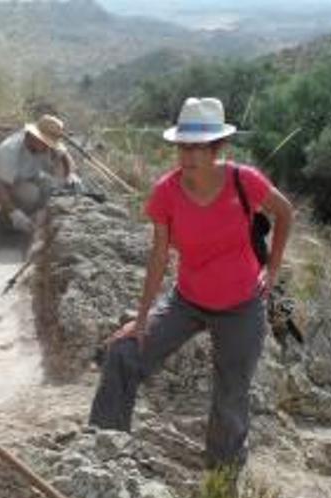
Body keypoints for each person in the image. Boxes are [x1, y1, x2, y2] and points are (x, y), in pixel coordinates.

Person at [88, 97, 294, 468]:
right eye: (184, 146)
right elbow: (158, 256)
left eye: (199, 148)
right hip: (188, 300)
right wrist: (142, 317)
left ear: (218, 148)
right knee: (123, 355)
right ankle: (106, 453)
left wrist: (273, 269)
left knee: (230, 397)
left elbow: (285, 213)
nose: (189, 156)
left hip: (241, 306)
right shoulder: (166, 191)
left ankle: (221, 483)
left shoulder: (243, 180)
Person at [0, 114, 80, 233]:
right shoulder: (9, 151)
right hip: (9, 185)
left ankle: (38, 220)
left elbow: (64, 155)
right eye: (46, 143)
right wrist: (15, 214)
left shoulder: (42, 146)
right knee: (30, 195)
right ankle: (8, 221)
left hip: (32, 176)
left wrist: (70, 173)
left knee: (53, 185)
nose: (49, 148)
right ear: (33, 137)